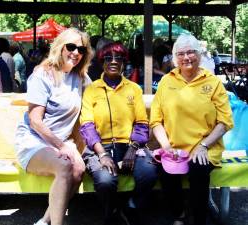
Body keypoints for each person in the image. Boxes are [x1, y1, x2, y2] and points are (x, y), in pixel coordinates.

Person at [150, 34, 234, 225]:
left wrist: (203, 145)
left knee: (198, 170)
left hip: (205, 147)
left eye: (191, 52)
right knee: (166, 172)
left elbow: (225, 121)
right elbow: (156, 121)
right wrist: (165, 146)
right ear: (174, 58)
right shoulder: (166, 82)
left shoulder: (212, 82)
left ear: (199, 54)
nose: (186, 57)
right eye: (181, 53)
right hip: (174, 146)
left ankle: (199, 219)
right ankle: (178, 215)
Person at [14, 28, 93, 225]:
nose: (76, 53)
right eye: (71, 47)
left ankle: (44, 221)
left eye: (81, 49)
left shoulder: (81, 78)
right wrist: (63, 146)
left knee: (78, 169)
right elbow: (35, 120)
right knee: (65, 166)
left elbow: (98, 97)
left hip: (61, 142)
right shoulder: (43, 74)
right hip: (33, 141)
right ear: (61, 47)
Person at [79, 41, 157, 225]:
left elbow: (141, 122)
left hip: (131, 145)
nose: (113, 61)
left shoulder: (134, 89)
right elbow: (87, 126)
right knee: (105, 180)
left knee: (149, 173)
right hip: (100, 147)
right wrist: (102, 154)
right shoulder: (91, 90)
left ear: (124, 62)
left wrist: (132, 149)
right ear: (101, 62)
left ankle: (131, 206)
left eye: (118, 58)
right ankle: (111, 212)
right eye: (108, 58)